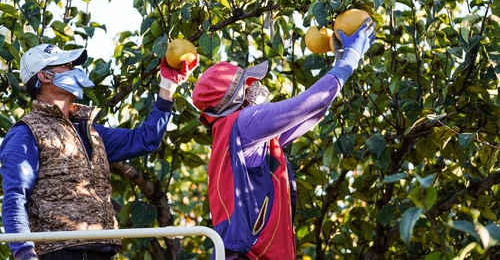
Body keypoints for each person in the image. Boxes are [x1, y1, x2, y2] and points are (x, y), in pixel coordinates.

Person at [192, 18, 376, 260]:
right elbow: (309, 102)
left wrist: (340, 63)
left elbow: (312, 111)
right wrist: (350, 58)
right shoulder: (245, 122)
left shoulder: (238, 134)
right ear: (236, 99)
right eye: (249, 86)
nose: (257, 87)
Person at [0, 43, 198, 260]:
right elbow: (15, 199)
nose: (75, 71)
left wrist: (168, 86)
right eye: (66, 65)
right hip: (58, 253)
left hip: (100, 250)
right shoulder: (26, 133)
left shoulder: (92, 132)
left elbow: (146, 139)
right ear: (44, 76)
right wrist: (25, 254)